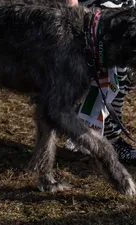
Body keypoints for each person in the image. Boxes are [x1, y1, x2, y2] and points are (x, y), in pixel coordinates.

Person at [65, 0, 136, 161]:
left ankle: (86, 126)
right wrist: (71, 8)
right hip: (96, 14)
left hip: (123, 9)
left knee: (121, 79)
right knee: (114, 76)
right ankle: (108, 138)